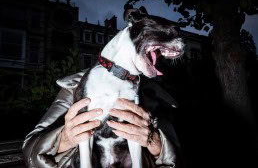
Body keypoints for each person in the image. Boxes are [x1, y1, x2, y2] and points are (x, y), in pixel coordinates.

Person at [22, 69, 182, 167]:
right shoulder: (75, 87)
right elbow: (30, 151)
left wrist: (153, 141)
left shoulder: (154, 94)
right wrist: (64, 139)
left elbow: (179, 159)